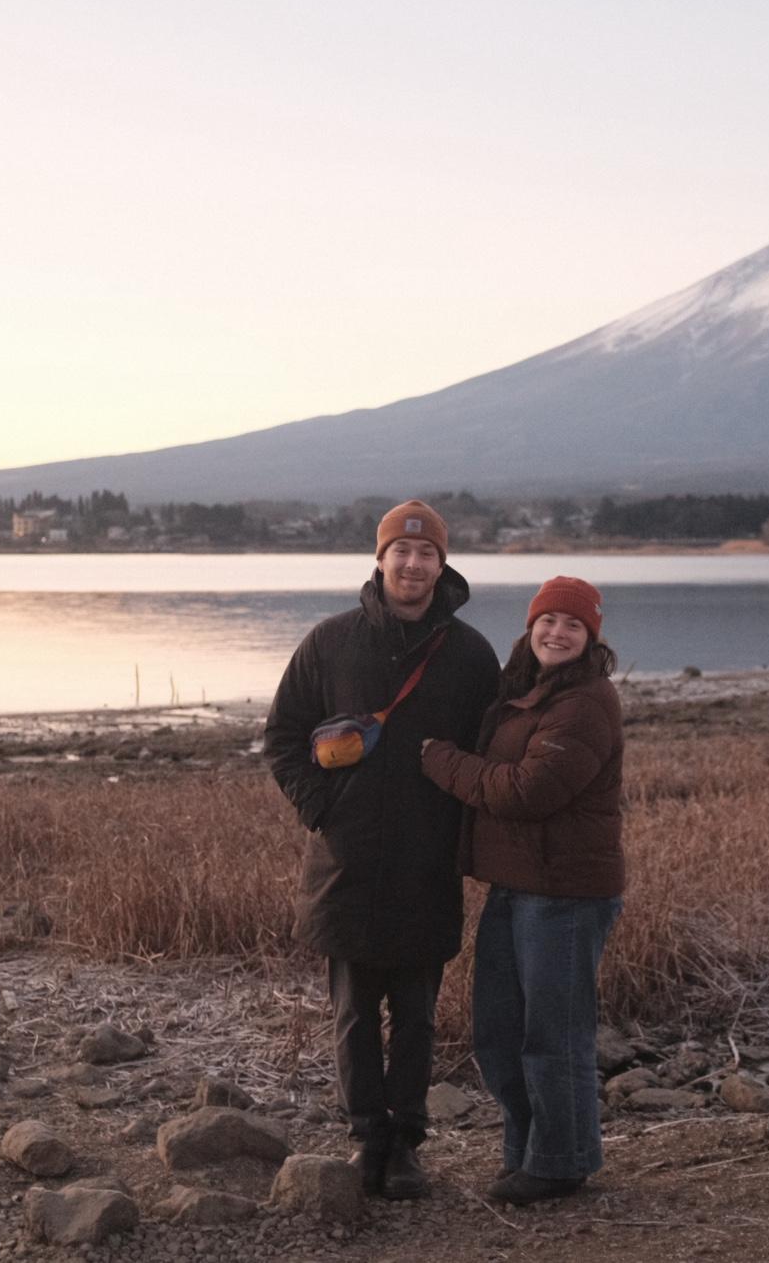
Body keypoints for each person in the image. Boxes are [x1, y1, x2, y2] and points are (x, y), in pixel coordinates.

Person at [264, 500, 499, 1199]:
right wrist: (322, 808)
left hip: (428, 865)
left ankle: (406, 1146)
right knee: (355, 1015)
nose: (413, 564)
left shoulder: (470, 655)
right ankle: (367, 1137)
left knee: (419, 1018)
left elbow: (491, 753)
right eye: (402, 551)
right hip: (348, 865)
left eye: (427, 554)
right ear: (381, 558)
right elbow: (283, 736)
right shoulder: (330, 642)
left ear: (442, 565)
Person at [420, 575, 624, 1206]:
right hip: (517, 885)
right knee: (499, 1032)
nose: (557, 633)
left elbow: (526, 791)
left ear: (590, 637)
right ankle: (527, 1153)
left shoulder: (585, 703)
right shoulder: (530, 688)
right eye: (548, 621)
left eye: (573, 625)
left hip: (564, 892)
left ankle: (560, 1162)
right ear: (531, 626)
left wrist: (439, 760)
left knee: (553, 1035)